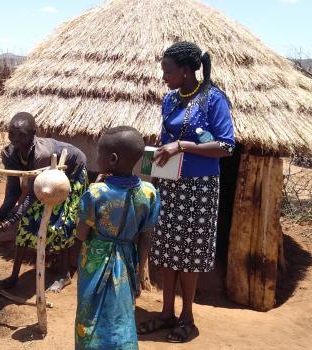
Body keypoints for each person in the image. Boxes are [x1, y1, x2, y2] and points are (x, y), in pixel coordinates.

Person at [136, 41, 235, 343]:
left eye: (167, 71)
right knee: (167, 250)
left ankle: (187, 317)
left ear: (185, 70)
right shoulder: (169, 100)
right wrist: (152, 171)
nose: (163, 76)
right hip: (170, 184)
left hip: (200, 188)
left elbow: (226, 146)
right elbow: (164, 139)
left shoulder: (212, 99)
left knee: (189, 255)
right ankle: (166, 313)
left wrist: (183, 146)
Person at [74, 126, 160, 350]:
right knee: (120, 313)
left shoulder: (95, 194)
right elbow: (145, 238)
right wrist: (141, 271)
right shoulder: (150, 192)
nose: (96, 157)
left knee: (90, 312)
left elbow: (81, 234)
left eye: (99, 153)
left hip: (95, 262)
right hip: (127, 261)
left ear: (112, 159)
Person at [0, 112, 87, 292]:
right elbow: (13, 190)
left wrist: (9, 221)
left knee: (60, 223)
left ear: (34, 133)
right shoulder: (9, 153)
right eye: (11, 133)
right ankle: (13, 277)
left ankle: (64, 275)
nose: (15, 139)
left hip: (71, 174)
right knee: (26, 225)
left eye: (21, 135)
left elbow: (33, 195)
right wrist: (0, 217)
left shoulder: (42, 154)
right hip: (42, 182)